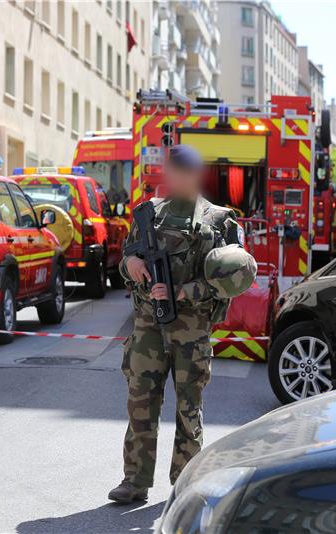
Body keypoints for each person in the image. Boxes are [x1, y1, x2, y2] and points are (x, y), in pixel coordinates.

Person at [109, 144, 257, 503]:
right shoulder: (148, 214)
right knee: (140, 403)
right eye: (173, 170)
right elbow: (126, 259)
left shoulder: (220, 220)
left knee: (188, 408)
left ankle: (185, 483)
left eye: (185, 170)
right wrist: (131, 266)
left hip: (191, 328)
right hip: (147, 326)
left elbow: (236, 277)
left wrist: (184, 292)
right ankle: (135, 480)